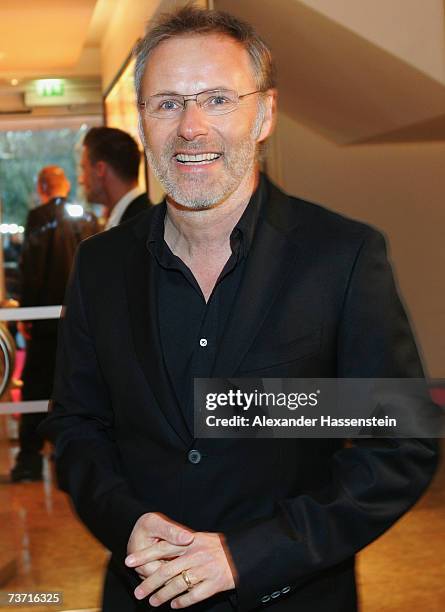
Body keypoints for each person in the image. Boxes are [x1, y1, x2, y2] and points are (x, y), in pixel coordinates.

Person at [40, 6, 438, 612]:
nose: (191, 127)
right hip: (140, 594)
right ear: (143, 121)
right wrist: (125, 520)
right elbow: (76, 426)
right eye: (168, 102)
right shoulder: (100, 266)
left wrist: (248, 554)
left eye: (219, 99)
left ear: (265, 114)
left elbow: (399, 445)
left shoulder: (343, 256)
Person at [11, 165, 98, 482]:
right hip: (83, 322)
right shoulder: (84, 218)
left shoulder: (38, 218)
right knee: (78, 390)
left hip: (46, 323)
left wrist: (26, 313)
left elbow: (31, 271)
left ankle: (30, 460)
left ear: (42, 186)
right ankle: (70, 458)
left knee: (36, 384)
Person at [79, 126, 150, 228]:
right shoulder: (133, 216)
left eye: (84, 168)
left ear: (100, 169)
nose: (81, 179)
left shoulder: (142, 225)